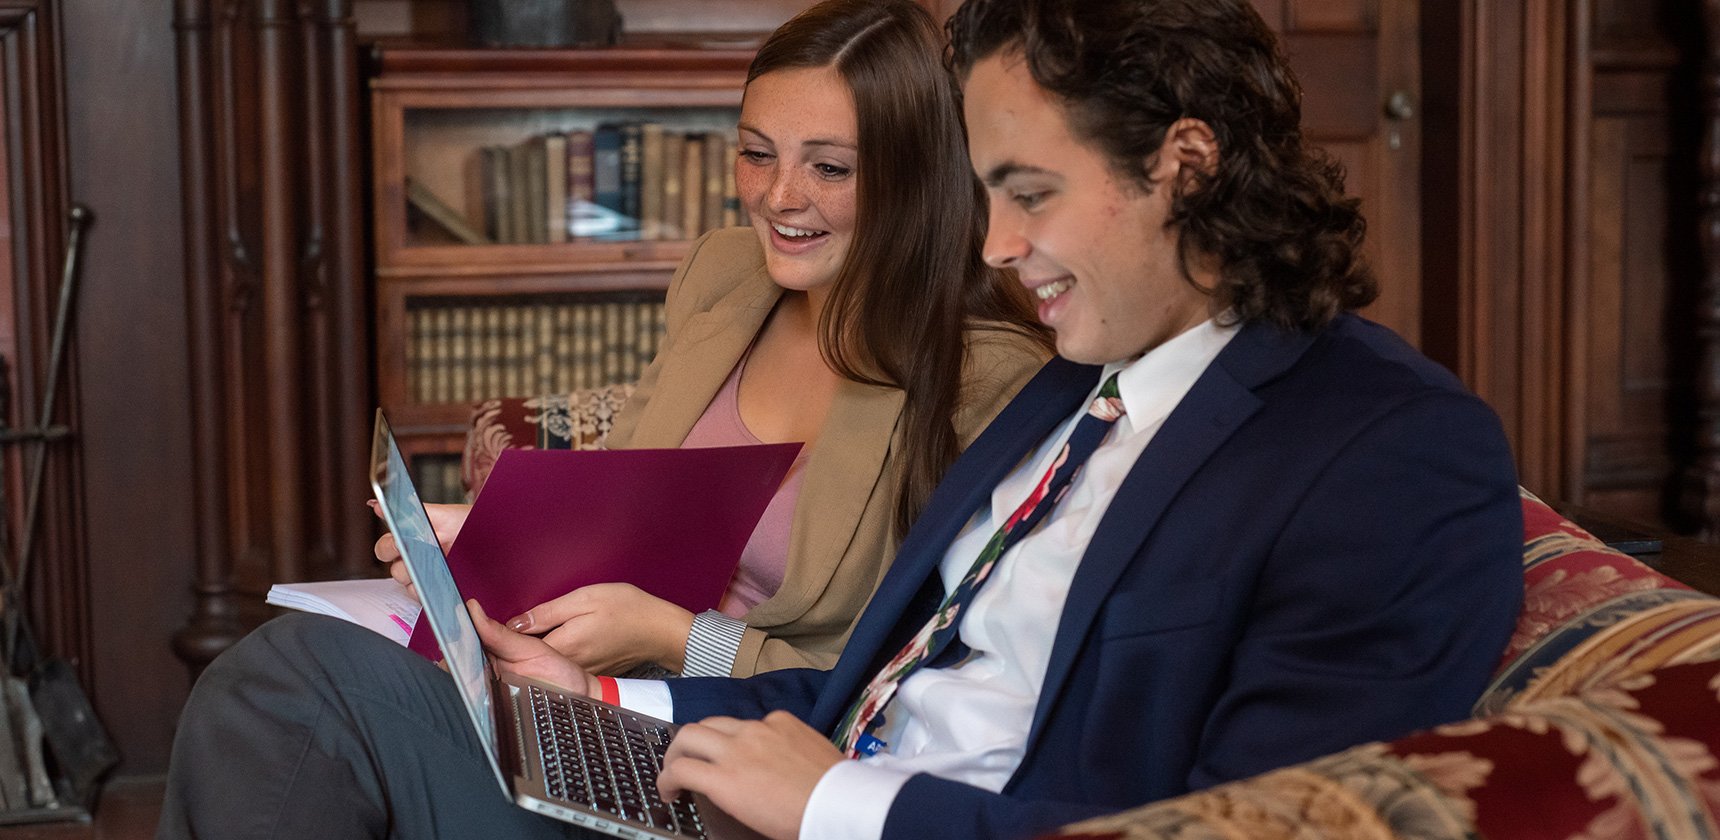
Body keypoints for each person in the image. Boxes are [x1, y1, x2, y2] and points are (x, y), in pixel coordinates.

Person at [158, 1, 1524, 838]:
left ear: (1183, 165)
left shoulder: (1384, 450)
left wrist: (825, 804)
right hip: (759, 777)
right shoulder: (1074, 391)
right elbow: (872, 682)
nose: (991, 243)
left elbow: (1253, 827)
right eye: (982, 192)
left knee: (288, 700)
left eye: (1031, 193)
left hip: (838, 821)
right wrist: (621, 697)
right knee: (298, 694)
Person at [374, 0, 1051, 680]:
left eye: (830, 169)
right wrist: (491, 544)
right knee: (319, 664)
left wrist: (674, 638)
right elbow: (620, 507)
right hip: (583, 684)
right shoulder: (723, 275)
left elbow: (922, 679)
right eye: (757, 154)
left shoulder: (990, 378)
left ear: (920, 178)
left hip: (759, 739)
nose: (780, 196)